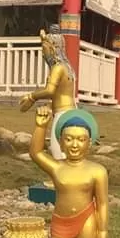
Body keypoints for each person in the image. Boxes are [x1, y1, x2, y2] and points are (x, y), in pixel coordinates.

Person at [29, 105, 108, 238]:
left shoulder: (97, 171)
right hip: (60, 221)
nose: (75, 145)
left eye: (81, 139)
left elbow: (102, 203)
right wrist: (40, 126)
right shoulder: (57, 167)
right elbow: (36, 152)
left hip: (86, 220)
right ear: (61, 142)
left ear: (89, 143)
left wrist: (103, 230)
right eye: (69, 139)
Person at [19, 25, 76, 160]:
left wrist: (32, 96)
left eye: (44, 49)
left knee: (57, 150)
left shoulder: (57, 68)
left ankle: (62, 178)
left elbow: (50, 91)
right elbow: (61, 92)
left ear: (52, 48)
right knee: (67, 149)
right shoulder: (68, 68)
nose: (43, 53)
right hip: (71, 109)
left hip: (62, 113)